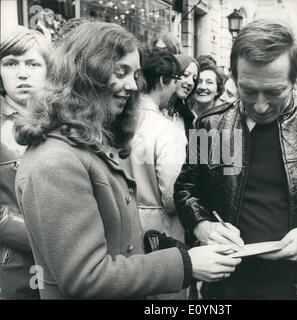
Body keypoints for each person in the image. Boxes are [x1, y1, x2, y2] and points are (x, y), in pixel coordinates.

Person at [13, 22, 241, 299]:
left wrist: (174, 246)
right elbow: (86, 277)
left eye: (134, 74)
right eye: (121, 72)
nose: (133, 85)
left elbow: (118, 243)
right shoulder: (56, 162)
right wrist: (187, 263)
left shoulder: (84, 146)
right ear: (86, 75)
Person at [174, 19, 297, 300]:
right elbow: (187, 190)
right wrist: (203, 226)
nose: (260, 105)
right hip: (228, 285)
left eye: (274, 91)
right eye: (249, 91)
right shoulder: (212, 125)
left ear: (295, 79)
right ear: (233, 76)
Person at [125, 49, 188, 299]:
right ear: (163, 81)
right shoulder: (167, 131)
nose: (176, 88)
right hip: (161, 234)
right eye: (175, 81)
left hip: (124, 230)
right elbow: (173, 197)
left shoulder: (120, 122)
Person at [0, 26, 52, 299]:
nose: (22, 73)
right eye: (10, 63)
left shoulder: (64, 121)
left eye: (32, 63)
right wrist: (38, 236)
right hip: (14, 271)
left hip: (67, 268)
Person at [166, 54, 199, 139]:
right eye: (185, 75)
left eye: (194, 79)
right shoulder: (153, 110)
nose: (191, 83)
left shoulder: (191, 118)